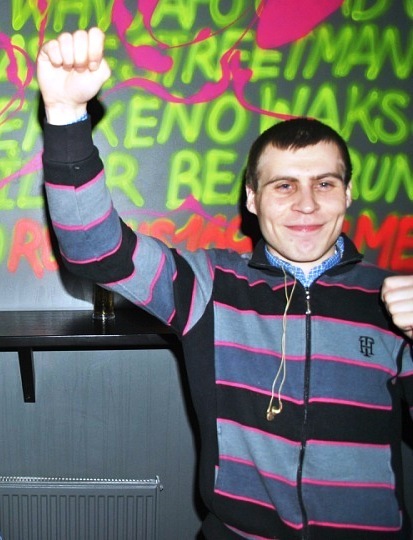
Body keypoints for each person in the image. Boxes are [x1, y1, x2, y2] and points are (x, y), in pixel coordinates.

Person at [37, 28, 413, 540]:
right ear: (252, 199)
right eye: (284, 185)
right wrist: (65, 117)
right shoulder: (210, 285)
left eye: (324, 184)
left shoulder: (392, 298)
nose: (306, 204)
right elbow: (95, 249)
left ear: (347, 194)